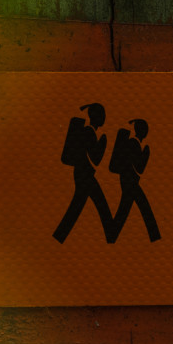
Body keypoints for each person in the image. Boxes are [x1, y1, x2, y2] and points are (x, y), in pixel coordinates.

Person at [54, 103, 118, 243]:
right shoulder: (89, 133)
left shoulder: (89, 132)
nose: (104, 118)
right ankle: (111, 235)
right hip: (84, 175)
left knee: (78, 207)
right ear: (97, 117)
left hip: (85, 175)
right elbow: (96, 159)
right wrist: (103, 142)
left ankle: (111, 234)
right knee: (98, 205)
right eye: (103, 115)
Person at [107, 118, 161, 242]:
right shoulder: (134, 144)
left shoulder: (132, 143)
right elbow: (139, 168)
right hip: (129, 181)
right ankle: (155, 237)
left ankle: (111, 235)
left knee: (124, 210)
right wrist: (146, 153)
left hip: (128, 181)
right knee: (143, 206)